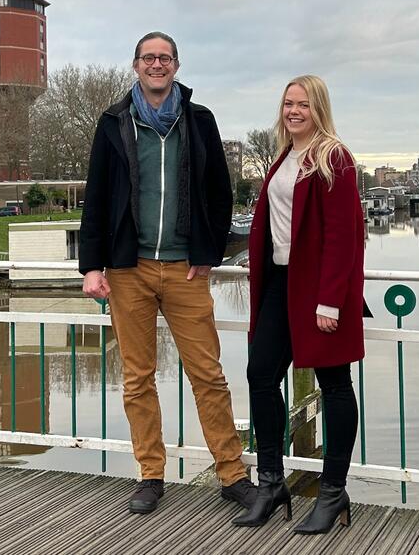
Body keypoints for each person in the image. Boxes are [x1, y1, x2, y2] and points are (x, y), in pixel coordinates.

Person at [79, 32, 256, 515]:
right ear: (136, 66)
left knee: (208, 374)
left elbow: (221, 194)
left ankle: (232, 474)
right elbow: (95, 197)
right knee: (137, 377)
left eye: (164, 58)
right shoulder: (114, 122)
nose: (156, 64)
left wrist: (211, 250)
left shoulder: (199, 121)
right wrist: (92, 265)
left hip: (185, 269)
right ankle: (150, 475)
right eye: (148, 58)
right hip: (128, 268)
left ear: (176, 65)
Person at [233, 75, 365, 533]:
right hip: (280, 283)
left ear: (318, 109)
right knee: (261, 374)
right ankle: (271, 484)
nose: (293, 111)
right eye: (288, 103)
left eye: (302, 105)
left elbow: (342, 236)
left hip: (319, 288)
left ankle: (333, 491)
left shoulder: (334, 158)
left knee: (334, 383)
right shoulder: (283, 157)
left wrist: (330, 301)